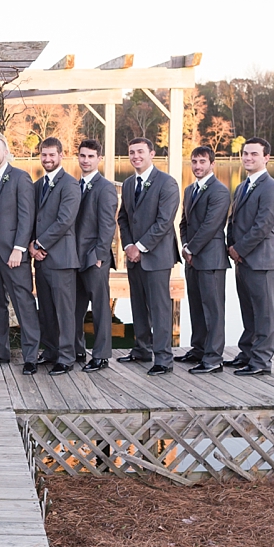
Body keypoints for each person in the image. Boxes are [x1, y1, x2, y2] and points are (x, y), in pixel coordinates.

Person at [116, 137, 181, 376]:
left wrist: (140, 246)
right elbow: (123, 218)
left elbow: (164, 222)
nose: (136, 156)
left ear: (152, 153)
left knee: (160, 308)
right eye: (132, 152)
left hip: (156, 257)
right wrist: (129, 245)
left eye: (141, 152)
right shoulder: (129, 183)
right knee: (138, 306)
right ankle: (141, 349)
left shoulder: (167, 183)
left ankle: (163, 358)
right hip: (134, 256)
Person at [226, 137, 274, 376]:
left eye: (254, 154)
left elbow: (263, 225)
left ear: (266, 158)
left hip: (262, 261)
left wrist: (239, 249)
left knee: (264, 313)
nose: (248, 158)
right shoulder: (242, 186)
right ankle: (247, 353)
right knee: (248, 311)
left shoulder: (271, 188)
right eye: (245, 154)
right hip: (243, 259)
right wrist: (231, 247)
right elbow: (234, 221)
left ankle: (261, 361)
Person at [0, 137, 41, 372]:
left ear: (6, 152)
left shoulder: (20, 177)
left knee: (23, 303)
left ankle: (31, 357)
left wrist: (20, 248)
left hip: (14, 252)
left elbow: (27, 216)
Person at [176, 146, 231, 374]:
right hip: (193, 259)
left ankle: (213, 358)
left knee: (213, 310)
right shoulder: (189, 190)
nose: (198, 166)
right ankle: (198, 349)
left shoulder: (220, 191)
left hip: (211, 260)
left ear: (212, 164)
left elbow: (212, 225)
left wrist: (192, 249)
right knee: (197, 307)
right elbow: (184, 222)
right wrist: (185, 246)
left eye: (202, 162)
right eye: (194, 162)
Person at [29, 137, 81, 376]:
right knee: (47, 309)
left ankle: (67, 356)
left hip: (62, 259)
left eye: (52, 155)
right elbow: (34, 219)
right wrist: (31, 246)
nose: (47, 159)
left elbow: (65, 220)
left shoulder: (70, 184)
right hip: (41, 260)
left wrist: (40, 243)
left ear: (61, 155)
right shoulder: (38, 185)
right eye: (44, 155)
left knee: (64, 310)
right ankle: (50, 351)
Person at [73, 140, 118, 373]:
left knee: (99, 308)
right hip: (74, 257)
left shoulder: (105, 187)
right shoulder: (75, 184)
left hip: (94, 257)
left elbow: (108, 224)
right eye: (82, 156)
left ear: (99, 159)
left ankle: (101, 355)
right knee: (75, 308)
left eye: (90, 156)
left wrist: (100, 255)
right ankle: (77, 350)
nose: (86, 160)